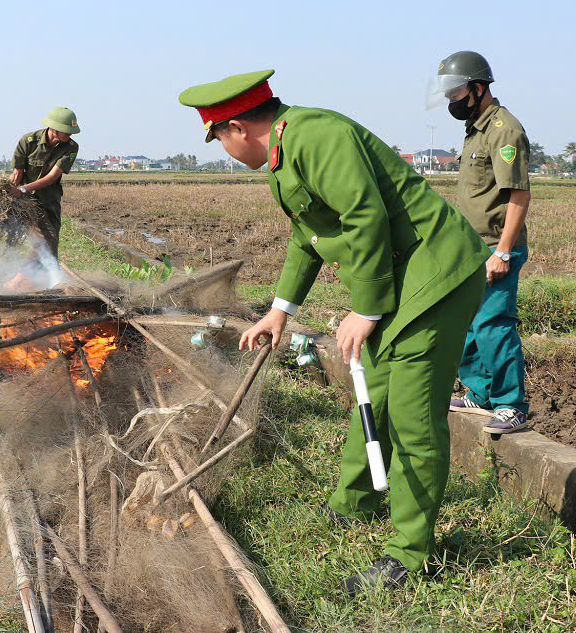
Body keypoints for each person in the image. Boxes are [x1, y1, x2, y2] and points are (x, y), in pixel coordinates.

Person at [179, 69, 490, 592]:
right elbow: (310, 237)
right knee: (377, 393)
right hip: (399, 275)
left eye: (218, 140)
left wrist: (365, 310)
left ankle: (410, 555)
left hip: (433, 276)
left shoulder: (316, 136)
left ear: (234, 127)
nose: (224, 150)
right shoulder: (284, 156)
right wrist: (280, 310)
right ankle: (355, 500)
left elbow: (365, 216)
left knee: (413, 418)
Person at [428, 51, 532, 435]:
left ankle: (511, 404)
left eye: (456, 92)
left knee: (493, 325)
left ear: (478, 88)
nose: (452, 100)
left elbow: (518, 196)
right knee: (469, 323)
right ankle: (481, 392)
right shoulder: (477, 128)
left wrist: (503, 251)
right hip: (472, 248)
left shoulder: (505, 130)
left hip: (495, 246)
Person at [0, 106, 80, 258]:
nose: (70, 134)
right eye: (67, 130)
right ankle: (24, 279)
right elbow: (17, 173)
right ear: (54, 128)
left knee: (51, 241)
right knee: (41, 243)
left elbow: (52, 177)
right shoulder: (28, 141)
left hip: (49, 200)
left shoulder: (71, 148)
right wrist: (7, 196)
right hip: (25, 201)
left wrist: (23, 189)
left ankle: (30, 279)